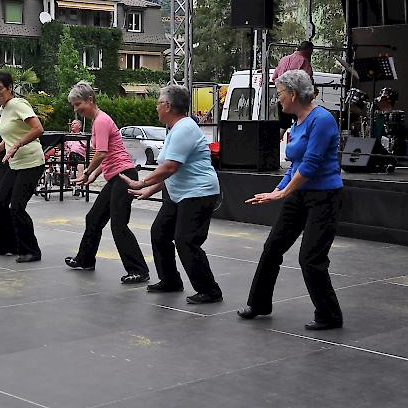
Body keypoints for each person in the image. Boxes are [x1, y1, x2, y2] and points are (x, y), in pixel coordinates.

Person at [237, 70, 344, 331]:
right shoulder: (297, 122)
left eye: (281, 94)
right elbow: (294, 165)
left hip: (324, 196)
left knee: (310, 258)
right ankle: (259, 303)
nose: (279, 99)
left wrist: (283, 193)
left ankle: (330, 314)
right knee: (272, 247)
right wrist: (278, 189)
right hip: (300, 194)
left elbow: (311, 164)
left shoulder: (322, 120)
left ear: (294, 94)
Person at [121, 85, 223, 304]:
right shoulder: (175, 129)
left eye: (158, 102)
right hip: (179, 194)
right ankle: (170, 280)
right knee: (160, 233)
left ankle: (210, 290)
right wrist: (151, 189)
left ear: (168, 105)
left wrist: (142, 182)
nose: (156, 107)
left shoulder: (185, 128)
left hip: (198, 193)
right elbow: (171, 170)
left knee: (186, 240)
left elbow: (170, 167)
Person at [64, 81, 149, 284]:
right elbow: (108, 154)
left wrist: (87, 173)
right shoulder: (98, 121)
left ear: (90, 100)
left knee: (119, 225)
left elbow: (101, 153)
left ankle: (139, 270)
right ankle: (85, 259)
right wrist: (93, 175)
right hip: (117, 177)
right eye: (74, 106)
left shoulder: (101, 121)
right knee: (94, 218)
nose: (76, 110)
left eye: (78, 104)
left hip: (124, 177)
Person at [0, 71, 45, 263]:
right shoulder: (3, 109)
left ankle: (31, 251)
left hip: (32, 162)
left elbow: (38, 129)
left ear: (9, 87)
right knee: (0, 204)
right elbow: (10, 135)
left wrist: (17, 145)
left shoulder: (18, 104)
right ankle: (6, 246)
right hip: (15, 163)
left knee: (17, 206)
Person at [272, 41, 315, 129]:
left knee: (283, 127)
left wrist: (283, 90)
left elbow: (274, 78)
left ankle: (275, 143)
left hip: (282, 97)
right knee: (302, 123)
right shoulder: (304, 61)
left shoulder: (283, 59)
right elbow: (307, 81)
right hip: (296, 98)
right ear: (308, 51)